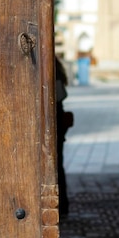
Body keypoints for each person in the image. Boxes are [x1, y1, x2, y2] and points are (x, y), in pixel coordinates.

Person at [55, 56, 74, 217]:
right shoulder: (57, 69)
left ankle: (60, 206)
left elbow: (59, 95)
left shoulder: (52, 71)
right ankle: (62, 206)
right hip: (57, 124)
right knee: (58, 165)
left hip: (55, 123)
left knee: (56, 166)